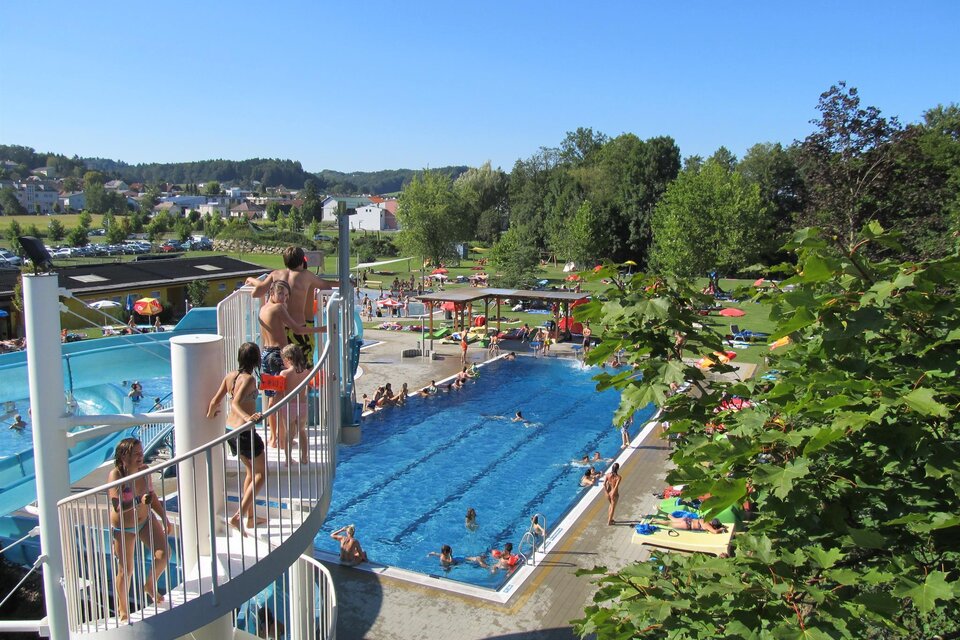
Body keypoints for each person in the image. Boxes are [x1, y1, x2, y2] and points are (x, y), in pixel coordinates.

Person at [108, 437, 171, 622]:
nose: (140, 457)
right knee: (125, 570)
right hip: (123, 527)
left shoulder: (144, 471)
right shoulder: (116, 475)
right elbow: (116, 505)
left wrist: (163, 516)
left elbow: (151, 496)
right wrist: (137, 501)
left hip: (145, 521)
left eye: (141, 453)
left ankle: (150, 584)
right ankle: (122, 608)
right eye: (135, 454)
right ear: (123, 456)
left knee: (164, 555)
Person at [207, 342, 266, 532]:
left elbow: (216, 401)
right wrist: (249, 418)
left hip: (229, 430)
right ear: (256, 360)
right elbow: (236, 403)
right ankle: (239, 516)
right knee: (261, 474)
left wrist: (209, 416)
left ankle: (250, 517)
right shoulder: (249, 379)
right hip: (243, 431)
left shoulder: (231, 376)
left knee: (251, 471)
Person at [259, 280, 325, 447]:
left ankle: (274, 438)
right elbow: (297, 329)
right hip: (277, 355)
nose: (284, 299)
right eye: (281, 294)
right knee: (279, 399)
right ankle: (281, 440)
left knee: (271, 399)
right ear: (272, 293)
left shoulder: (263, 308)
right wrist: (321, 329)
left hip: (265, 354)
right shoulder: (279, 308)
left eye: (287, 296)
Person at [245, 246, 337, 362]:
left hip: (280, 331)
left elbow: (257, 293)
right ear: (302, 260)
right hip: (299, 329)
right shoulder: (306, 275)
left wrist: (252, 280)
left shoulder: (275, 275)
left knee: (283, 366)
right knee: (303, 366)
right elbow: (326, 287)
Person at [278, 344, 311, 464]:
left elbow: (281, 391)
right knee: (302, 431)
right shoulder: (306, 372)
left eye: (284, 359)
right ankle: (304, 457)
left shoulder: (284, 374)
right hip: (301, 405)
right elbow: (309, 388)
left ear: (289, 359)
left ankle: (288, 459)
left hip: (288, 406)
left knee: (289, 433)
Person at [654, 515, 728, 534]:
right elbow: (715, 532)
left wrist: (723, 526)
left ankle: (665, 515)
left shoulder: (706, 520)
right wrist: (721, 529)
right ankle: (656, 521)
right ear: (714, 525)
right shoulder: (707, 525)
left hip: (687, 519)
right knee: (670, 524)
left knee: (672, 520)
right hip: (687, 525)